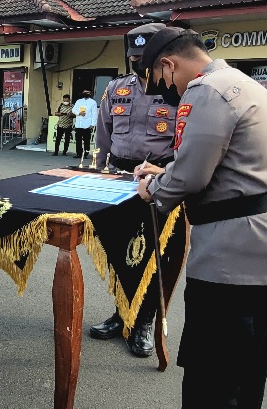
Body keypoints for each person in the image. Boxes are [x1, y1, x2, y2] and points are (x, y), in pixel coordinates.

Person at [135, 27, 267, 408]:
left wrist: (155, 189)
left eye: (163, 81)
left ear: (168, 65)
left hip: (236, 257)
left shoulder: (204, 91)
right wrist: (166, 171)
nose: (170, 91)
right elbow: (230, 163)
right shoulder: (243, 83)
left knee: (211, 380)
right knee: (247, 372)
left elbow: (191, 177)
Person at [87, 22, 178, 358]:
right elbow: (103, 135)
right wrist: (98, 174)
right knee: (119, 252)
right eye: (134, 57)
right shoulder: (116, 89)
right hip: (119, 180)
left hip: (159, 182)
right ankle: (120, 313)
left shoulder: (176, 90)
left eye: (145, 57)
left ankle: (143, 322)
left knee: (153, 256)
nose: (139, 63)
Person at [71, 89, 97, 159]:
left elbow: (94, 114)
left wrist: (93, 124)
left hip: (87, 125)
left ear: (90, 93)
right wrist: (79, 113)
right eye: (85, 92)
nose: (86, 93)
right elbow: (73, 110)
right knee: (78, 140)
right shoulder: (79, 101)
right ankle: (79, 153)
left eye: (88, 92)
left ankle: (85, 154)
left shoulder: (93, 102)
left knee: (86, 140)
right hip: (79, 124)